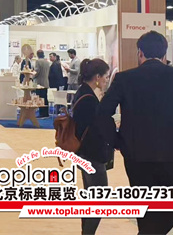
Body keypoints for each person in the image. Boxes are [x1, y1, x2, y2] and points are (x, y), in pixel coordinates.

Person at [97, 31, 173, 235]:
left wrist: (117, 140)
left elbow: (101, 114)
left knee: (145, 207)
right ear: (164, 53)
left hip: (136, 154)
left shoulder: (125, 78)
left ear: (140, 52)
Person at [72, 58, 112, 235]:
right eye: (106, 77)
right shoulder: (89, 99)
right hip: (92, 154)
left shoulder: (83, 92)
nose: (106, 80)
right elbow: (96, 129)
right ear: (97, 77)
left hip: (83, 152)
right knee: (99, 199)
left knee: (91, 197)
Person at [33, 50, 50, 118]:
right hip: (46, 82)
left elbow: (37, 72)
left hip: (39, 83)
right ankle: (46, 113)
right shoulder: (47, 62)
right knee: (45, 98)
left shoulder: (38, 61)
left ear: (37, 55)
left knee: (40, 98)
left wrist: (32, 76)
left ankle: (41, 113)